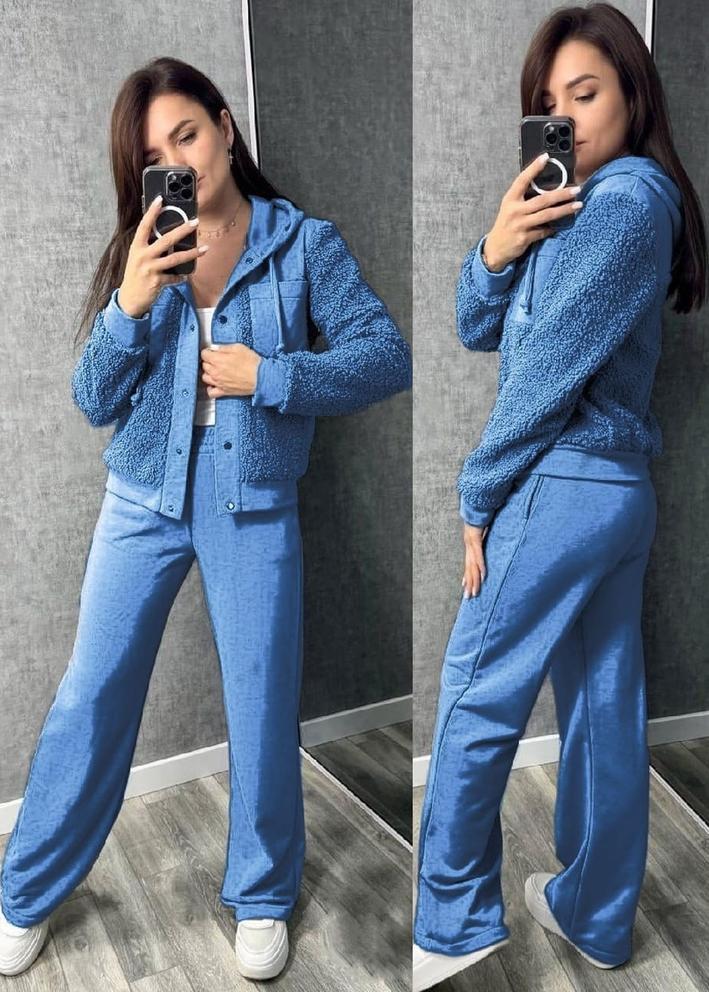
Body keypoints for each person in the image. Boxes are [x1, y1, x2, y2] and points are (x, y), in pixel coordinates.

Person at [0, 56, 411, 980]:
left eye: (187, 134)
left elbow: (385, 355)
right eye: (155, 155)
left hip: (252, 503)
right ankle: (24, 891)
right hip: (141, 499)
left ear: (225, 126)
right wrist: (130, 303)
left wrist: (274, 376)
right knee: (92, 693)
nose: (177, 161)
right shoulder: (143, 249)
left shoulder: (303, 244)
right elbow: (93, 399)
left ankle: (261, 895)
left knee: (262, 703)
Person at [412, 5, 706, 989]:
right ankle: (595, 913)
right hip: (612, 497)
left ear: (634, 94)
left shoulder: (625, 203)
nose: (567, 117)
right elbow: (474, 326)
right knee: (602, 707)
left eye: (586, 92)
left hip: (561, 478)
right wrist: (497, 245)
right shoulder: (572, 204)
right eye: (549, 102)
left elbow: (543, 371)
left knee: (475, 695)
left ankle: (451, 924)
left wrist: (477, 491)